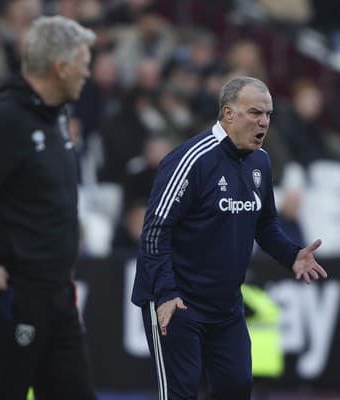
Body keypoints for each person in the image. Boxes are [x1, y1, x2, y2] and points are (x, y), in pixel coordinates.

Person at [131, 76, 328, 399]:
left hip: (225, 306)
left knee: (237, 387)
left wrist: (292, 254)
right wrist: (165, 292)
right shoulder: (190, 159)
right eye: (255, 113)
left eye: (268, 114)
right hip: (177, 301)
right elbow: (155, 231)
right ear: (228, 114)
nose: (263, 121)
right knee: (181, 394)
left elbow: (265, 226)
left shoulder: (260, 163)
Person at [0, 15, 97, 400]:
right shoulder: (4, 119)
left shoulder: (56, 117)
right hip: (14, 295)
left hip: (57, 295)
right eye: (83, 63)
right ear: (60, 68)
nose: (88, 73)